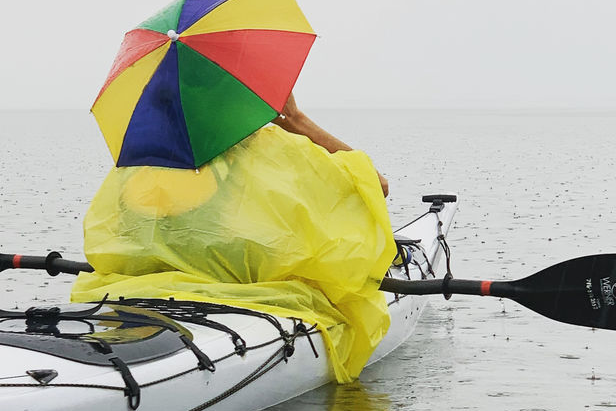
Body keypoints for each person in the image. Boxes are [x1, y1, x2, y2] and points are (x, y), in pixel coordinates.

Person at [70, 93, 397, 383]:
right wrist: (294, 120)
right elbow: (376, 186)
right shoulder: (266, 148)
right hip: (245, 297)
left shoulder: (140, 166)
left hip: (137, 296)